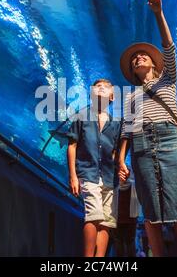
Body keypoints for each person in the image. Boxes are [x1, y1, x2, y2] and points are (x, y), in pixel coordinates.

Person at [117, 0, 177, 257]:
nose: (139, 57)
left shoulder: (168, 79)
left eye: (143, 56)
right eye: (135, 58)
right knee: (149, 207)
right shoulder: (131, 96)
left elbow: (169, 48)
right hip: (140, 144)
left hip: (170, 138)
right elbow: (127, 129)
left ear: (154, 64)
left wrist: (158, 13)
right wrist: (120, 161)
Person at [67, 79, 121, 257]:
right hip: (88, 173)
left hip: (109, 177)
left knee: (106, 221)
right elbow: (72, 145)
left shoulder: (116, 124)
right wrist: (73, 176)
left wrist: (119, 167)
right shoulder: (81, 115)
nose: (100, 88)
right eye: (97, 87)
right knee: (93, 215)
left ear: (112, 96)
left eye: (105, 87)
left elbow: (114, 151)